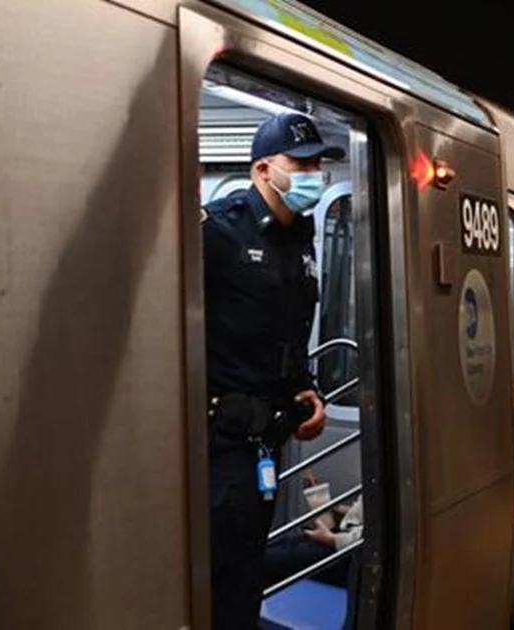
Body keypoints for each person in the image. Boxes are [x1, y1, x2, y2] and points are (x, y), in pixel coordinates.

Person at [204, 112, 342, 630]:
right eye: (299, 163)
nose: (312, 173)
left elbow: (288, 335)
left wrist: (307, 390)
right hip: (221, 441)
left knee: (246, 573)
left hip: (267, 440)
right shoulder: (218, 232)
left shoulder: (301, 239)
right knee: (224, 575)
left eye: (317, 164)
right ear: (263, 169)